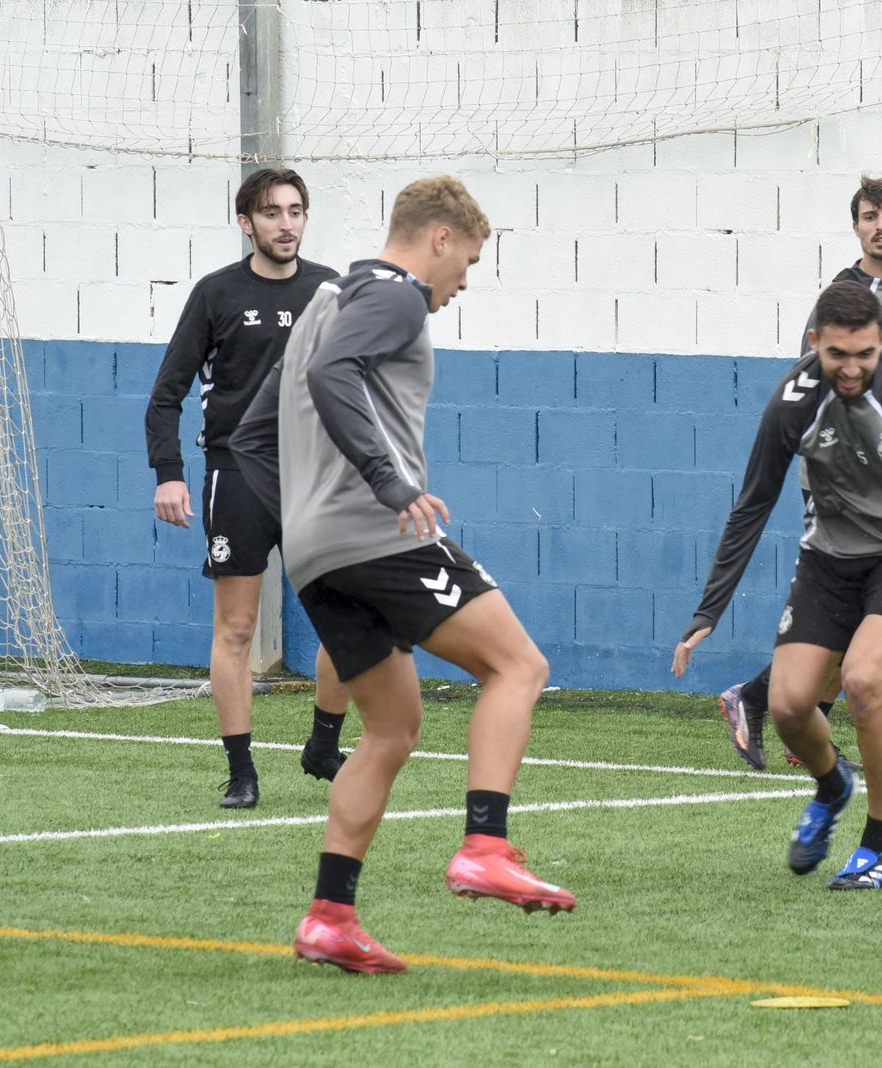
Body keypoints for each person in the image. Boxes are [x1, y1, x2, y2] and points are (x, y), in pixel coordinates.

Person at [232, 175, 574, 974]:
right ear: (440, 238)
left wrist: (309, 522)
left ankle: (329, 916)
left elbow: (251, 436)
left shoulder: (325, 298)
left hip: (317, 555)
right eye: (470, 262)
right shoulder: (398, 296)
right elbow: (334, 376)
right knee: (518, 665)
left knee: (390, 728)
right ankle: (486, 845)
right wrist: (386, 487)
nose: (463, 283)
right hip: (379, 535)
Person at [675, 281, 882, 892]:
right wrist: (708, 609)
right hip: (826, 559)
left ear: (881, 341)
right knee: (790, 706)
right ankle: (832, 784)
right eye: (837, 355)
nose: (851, 369)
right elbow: (753, 504)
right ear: (815, 343)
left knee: (862, 682)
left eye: (864, 355)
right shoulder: (793, 402)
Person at [144, 167, 350, 809]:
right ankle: (241, 771)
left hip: (317, 480)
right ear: (246, 223)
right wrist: (169, 475)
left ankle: (322, 745)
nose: (285, 224)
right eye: (271, 213)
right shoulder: (215, 294)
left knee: (353, 623)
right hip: (237, 477)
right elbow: (165, 396)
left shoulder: (330, 290)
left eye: (296, 211)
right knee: (236, 630)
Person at [719, 176, 882, 770]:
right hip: (842, 481)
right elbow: (815, 385)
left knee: (869, 622)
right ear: (857, 226)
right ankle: (760, 699)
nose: (881, 224)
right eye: (869, 216)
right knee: (856, 615)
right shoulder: (844, 293)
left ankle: (797, 724)